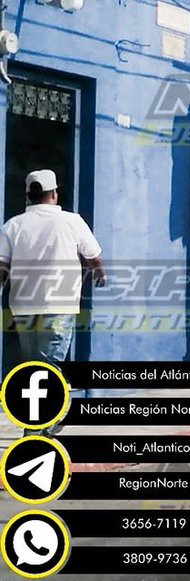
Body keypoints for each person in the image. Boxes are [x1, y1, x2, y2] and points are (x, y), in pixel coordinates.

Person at [0, 170, 106, 435]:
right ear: (54, 193)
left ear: (28, 195)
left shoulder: (13, 225)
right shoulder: (72, 221)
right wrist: (98, 273)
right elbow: (93, 255)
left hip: (23, 306)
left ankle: (36, 423)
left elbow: (2, 266)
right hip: (58, 305)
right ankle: (44, 422)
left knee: (33, 364)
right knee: (51, 365)